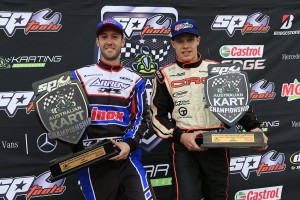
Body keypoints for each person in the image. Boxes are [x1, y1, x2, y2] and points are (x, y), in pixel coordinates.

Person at [150, 19, 268, 200]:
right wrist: (180, 136)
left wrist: (255, 129)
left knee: (218, 197)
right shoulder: (163, 75)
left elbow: (238, 105)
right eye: (180, 41)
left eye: (190, 39)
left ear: (198, 40)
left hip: (217, 142)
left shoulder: (218, 69)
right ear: (173, 43)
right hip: (184, 144)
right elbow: (157, 118)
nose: (185, 46)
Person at [72, 18, 156, 200]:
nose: (109, 41)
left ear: (122, 41)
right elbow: (63, 117)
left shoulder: (135, 80)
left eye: (114, 36)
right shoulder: (78, 76)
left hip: (127, 156)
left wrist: (129, 144)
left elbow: (143, 117)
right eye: (104, 36)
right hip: (92, 159)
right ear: (97, 41)